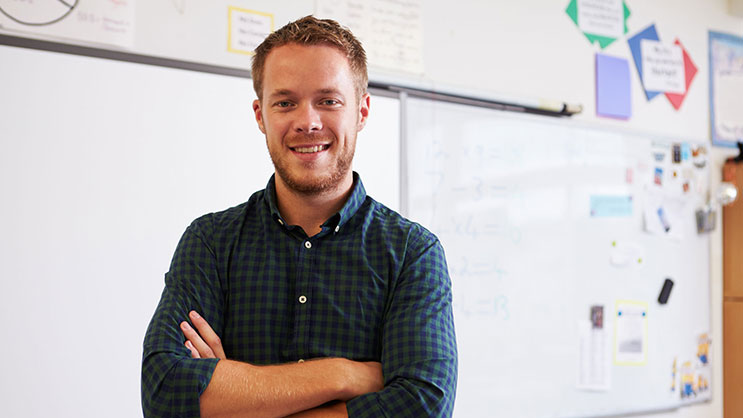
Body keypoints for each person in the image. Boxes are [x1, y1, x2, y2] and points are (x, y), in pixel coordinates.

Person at [141, 15, 457, 418]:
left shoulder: (412, 253)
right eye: (285, 102)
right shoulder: (210, 242)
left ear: (361, 112)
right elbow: (165, 394)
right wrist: (344, 375)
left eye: (328, 100)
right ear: (260, 115)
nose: (307, 122)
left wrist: (235, 398)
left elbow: (423, 407)